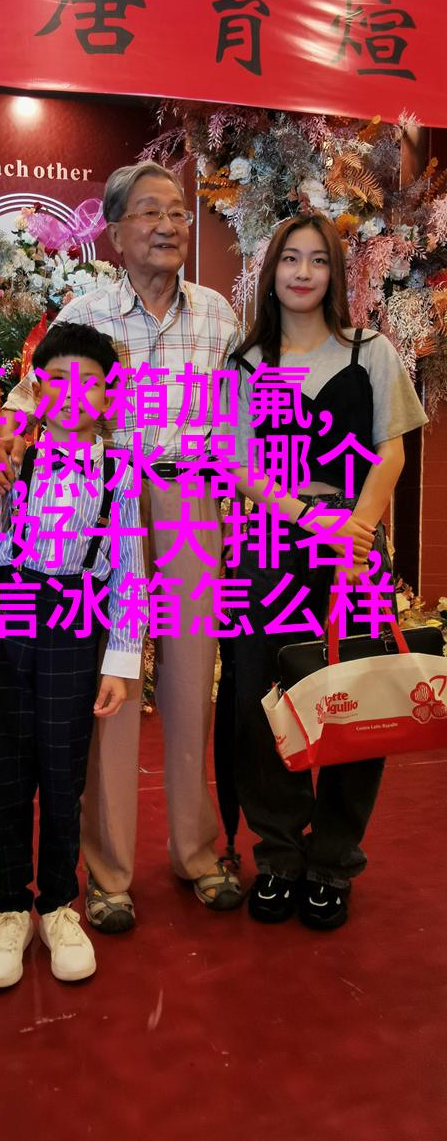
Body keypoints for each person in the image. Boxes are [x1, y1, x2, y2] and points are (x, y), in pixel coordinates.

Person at [0, 160, 243, 932]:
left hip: (193, 502)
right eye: (151, 212)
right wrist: (9, 434)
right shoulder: (87, 309)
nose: (169, 225)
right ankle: (106, 872)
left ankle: (197, 850)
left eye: (179, 212)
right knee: (110, 684)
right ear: (117, 229)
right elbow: (32, 394)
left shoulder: (218, 314)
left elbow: (242, 420)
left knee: (192, 682)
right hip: (102, 503)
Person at [228, 213, 428, 930]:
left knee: (356, 697)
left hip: (355, 549)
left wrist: (357, 530)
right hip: (266, 545)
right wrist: (309, 517)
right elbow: (236, 463)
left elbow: (392, 449)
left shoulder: (371, 351)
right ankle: (278, 855)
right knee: (263, 701)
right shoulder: (245, 362)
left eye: (318, 260)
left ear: (336, 275)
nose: (303, 272)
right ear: (271, 272)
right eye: (291, 259)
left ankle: (333, 860)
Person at [0, 322, 146, 988]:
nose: (72, 392)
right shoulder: (11, 464)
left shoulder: (119, 473)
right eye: (57, 379)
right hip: (9, 618)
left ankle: (59, 905)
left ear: (109, 394)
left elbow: (130, 568)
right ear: (37, 391)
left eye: (89, 381)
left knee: (64, 772)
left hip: (76, 620)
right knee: (9, 769)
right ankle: (11, 909)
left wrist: (121, 660)